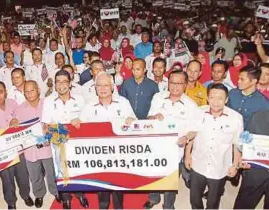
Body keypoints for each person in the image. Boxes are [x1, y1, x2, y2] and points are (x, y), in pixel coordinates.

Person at [79, 71, 137, 209]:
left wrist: (132, 121)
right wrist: (76, 123)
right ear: (95, 88)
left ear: (112, 87)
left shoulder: (123, 103)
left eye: (106, 85)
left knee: (118, 187)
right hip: (98, 155)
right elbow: (79, 129)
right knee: (102, 188)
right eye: (99, 85)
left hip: (119, 154)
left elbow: (135, 123)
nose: (103, 88)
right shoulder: (88, 106)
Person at [144, 70, 199, 209]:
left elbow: (193, 130)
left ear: (185, 85)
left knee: (172, 179)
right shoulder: (158, 97)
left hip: (176, 149)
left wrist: (186, 138)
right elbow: (148, 118)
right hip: (156, 146)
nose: (175, 86)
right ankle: (153, 198)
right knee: (155, 173)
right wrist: (153, 117)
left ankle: (168, 205)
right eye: (172, 82)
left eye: (179, 83)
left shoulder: (191, 105)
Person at [184, 83, 243, 209]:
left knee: (213, 202)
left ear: (226, 100)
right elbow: (192, 134)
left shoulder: (236, 118)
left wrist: (235, 166)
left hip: (219, 168)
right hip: (198, 163)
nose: (215, 102)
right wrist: (187, 155)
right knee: (194, 198)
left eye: (220, 98)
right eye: (212, 97)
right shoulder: (198, 112)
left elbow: (237, 145)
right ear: (207, 98)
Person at [0, 81, 33, 209]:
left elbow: (21, 120)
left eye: (0, 92)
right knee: (7, 179)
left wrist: (16, 121)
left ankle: (25, 195)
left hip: (18, 148)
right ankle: (11, 202)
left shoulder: (13, 104)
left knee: (23, 175)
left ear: (6, 92)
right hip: (2, 151)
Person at [41, 70, 88, 209]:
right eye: (58, 82)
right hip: (58, 144)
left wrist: (80, 119)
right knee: (60, 171)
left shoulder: (80, 99)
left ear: (70, 83)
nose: (61, 85)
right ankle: (66, 198)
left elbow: (86, 119)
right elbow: (45, 124)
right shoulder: (49, 101)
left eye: (64, 81)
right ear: (55, 84)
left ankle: (80, 194)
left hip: (77, 143)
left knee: (78, 169)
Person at [11, 80, 60, 208]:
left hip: (47, 146)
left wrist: (49, 130)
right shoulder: (20, 109)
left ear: (38, 90)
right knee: (34, 174)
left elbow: (55, 122)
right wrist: (13, 123)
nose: (29, 93)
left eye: (32, 90)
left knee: (52, 172)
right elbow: (16, 129)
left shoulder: (48, 104)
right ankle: (39, 194)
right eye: (26, 91)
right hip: (30, 150)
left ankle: (55, 191)